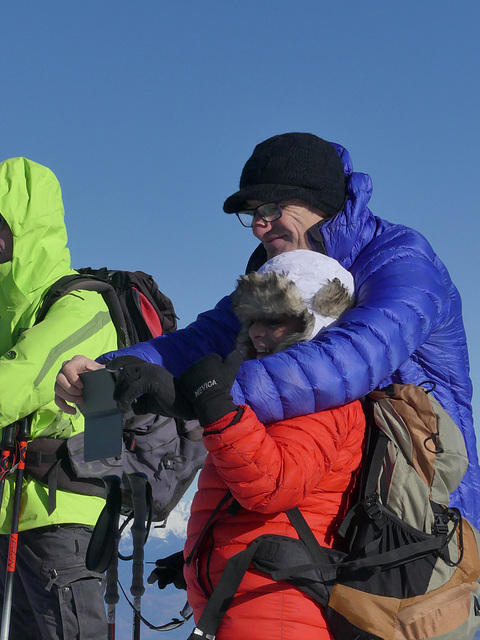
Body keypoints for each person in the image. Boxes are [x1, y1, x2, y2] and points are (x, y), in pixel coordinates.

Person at [54, 132, 480, 528]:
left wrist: (199, 394)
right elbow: (204, 339)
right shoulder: (282, 271)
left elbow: (344, 363)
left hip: (424, 510)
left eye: (270, 209)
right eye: (252, 214)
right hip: (339, 510)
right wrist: (111, 371)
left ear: (321, 202)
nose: (259, 226)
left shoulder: (402, 263)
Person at [151, 250, 365, 640]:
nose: (257, 334)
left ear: (315, 321)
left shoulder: (324, 399)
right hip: (257, 599)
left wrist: (215, 407)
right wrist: (200, 555)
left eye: (276, 321)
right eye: (252, 321)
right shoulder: (277, 397)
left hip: (279, 606)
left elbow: (272, 486)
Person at [0, 158, 117, 639]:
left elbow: (21, 381)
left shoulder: (80, 305)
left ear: (28, 229)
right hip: (15, 517)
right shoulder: (12, 313)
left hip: (62, 521)